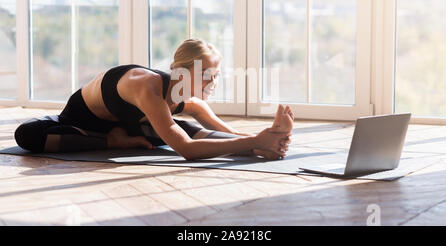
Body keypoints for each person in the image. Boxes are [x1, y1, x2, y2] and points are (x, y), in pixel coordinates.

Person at [14, 39, 293, 160]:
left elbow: (227, 134)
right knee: (27, 135)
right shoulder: (147, 87)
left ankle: (264, 149)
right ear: (183, 72)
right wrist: (256, 141)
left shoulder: (190, 101)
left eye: (216, 75)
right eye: (207, 75)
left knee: (187, 130)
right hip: (81, 124)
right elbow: (186, 151)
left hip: (133, 125)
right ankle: (112, 141)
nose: (213, 82)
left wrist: (265, 139)